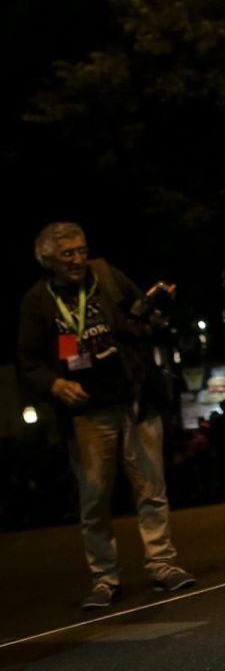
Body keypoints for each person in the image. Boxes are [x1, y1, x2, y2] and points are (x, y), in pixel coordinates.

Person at [16, 222, 195, 609]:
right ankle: (104, 577)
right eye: (68, 254)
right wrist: (55, 385)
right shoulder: (38, 301)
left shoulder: (107, 276)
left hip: (134, 400)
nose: (78, 259)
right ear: (47, 259)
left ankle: (162, 564)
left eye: (81, 250)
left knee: (151, 486)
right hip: (86, 414)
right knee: (94, 498)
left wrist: (156, 309)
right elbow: (29, 362)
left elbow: (140, 318)